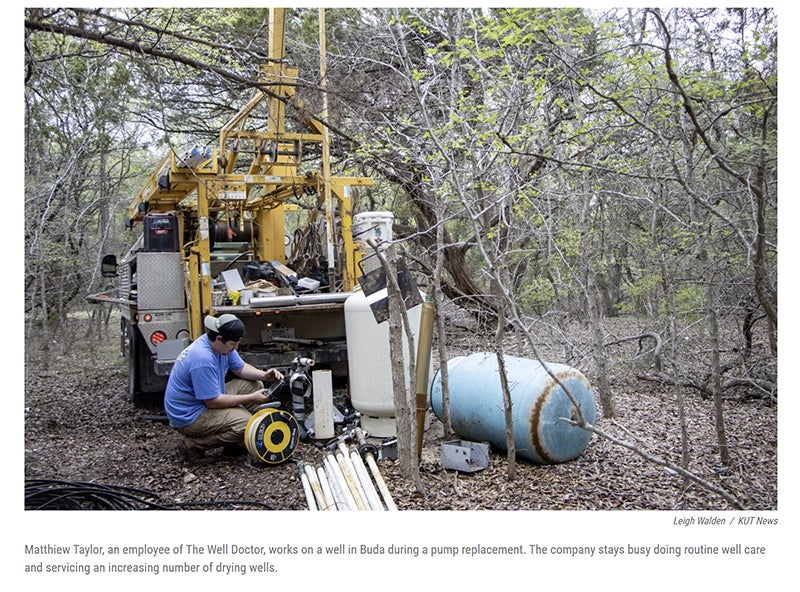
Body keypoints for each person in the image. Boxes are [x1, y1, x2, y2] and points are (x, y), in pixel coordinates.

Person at [164, 313, 284, 465]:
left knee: (255, 384)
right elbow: (213, 402)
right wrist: (252, 398)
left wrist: (265, 375)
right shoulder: (202, 358)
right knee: (247, 424)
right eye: (233, 344)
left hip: (204, 399)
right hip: (189, 415)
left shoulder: (220, 346)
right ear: (220, 338)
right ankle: (192, 445)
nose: (236, 347)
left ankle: (232, 444)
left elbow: (240, 368)